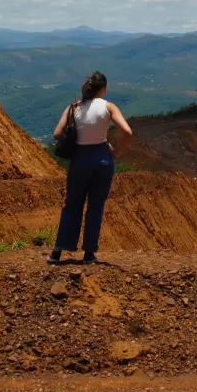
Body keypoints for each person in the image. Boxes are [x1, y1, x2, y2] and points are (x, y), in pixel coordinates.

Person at [47, 71, 133, 265]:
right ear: (103, 89)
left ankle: (58, 250)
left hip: (79, 158)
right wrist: (115, 151)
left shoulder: (73, 108)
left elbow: (56, 134)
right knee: (95, 206)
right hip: (102, 158)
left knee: (72, 204)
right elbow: (127, 131)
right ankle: (89, 253)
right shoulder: (108, 107)